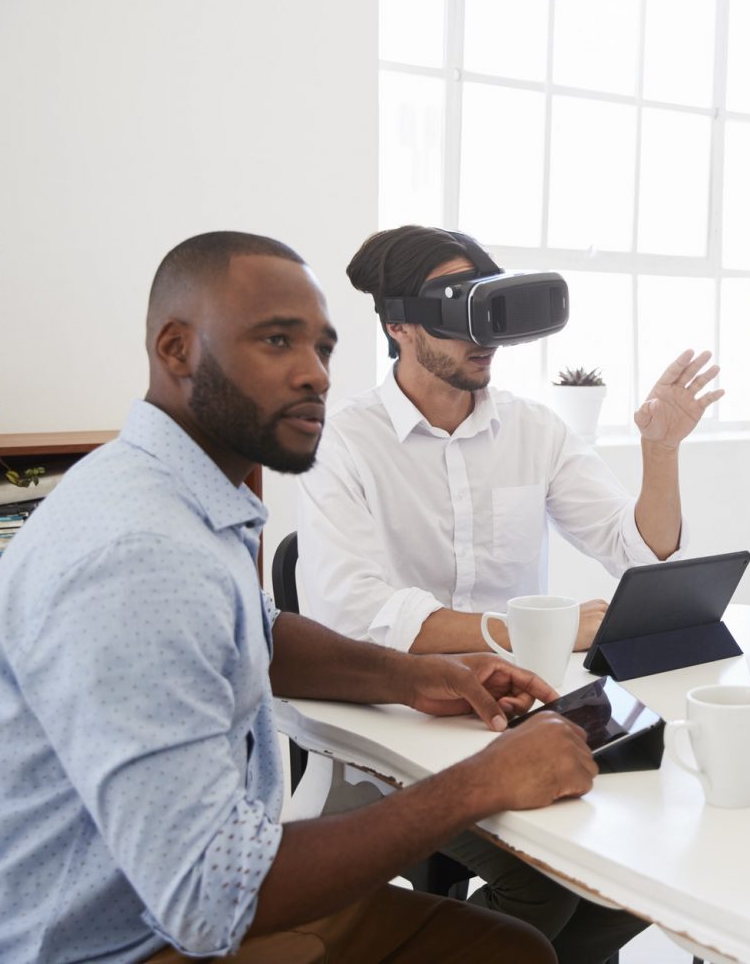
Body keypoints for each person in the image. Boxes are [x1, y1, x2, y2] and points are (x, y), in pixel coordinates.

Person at [0, 232, 598, 963]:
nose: (314, 375)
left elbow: (257, 634)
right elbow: (212, 900)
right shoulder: (140, 557)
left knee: (511, 943)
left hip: (143, 907)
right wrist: (478, 783)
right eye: (276, 341)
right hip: (101, 943)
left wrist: (424, 676)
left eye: (323, 349)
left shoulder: (171, 489)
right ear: (176, 349)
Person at [295, 225, 720, 960]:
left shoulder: (534, 431)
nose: (480, 338)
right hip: (395, 728)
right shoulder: (343, 442)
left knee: (647, 861)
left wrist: (660, 451)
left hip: (520, 714)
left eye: (489, 312)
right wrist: (536, 628)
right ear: (396, 324)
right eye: (455, 312)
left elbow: (636, 550)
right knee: (546, 888)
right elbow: (358, 617)